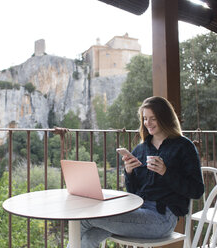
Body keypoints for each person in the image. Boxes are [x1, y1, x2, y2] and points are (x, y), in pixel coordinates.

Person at [80, 96, 204, 248]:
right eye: (145, 119)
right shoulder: (141, 149)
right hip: (137, 211)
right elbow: (134, 193)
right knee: (87, 237)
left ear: (164, 118)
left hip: (162, 218)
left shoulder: (184, 146)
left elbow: (197, 191)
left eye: (153, 118)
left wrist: (166, 172)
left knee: (85, 218)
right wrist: (129, 172)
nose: (148, 123)